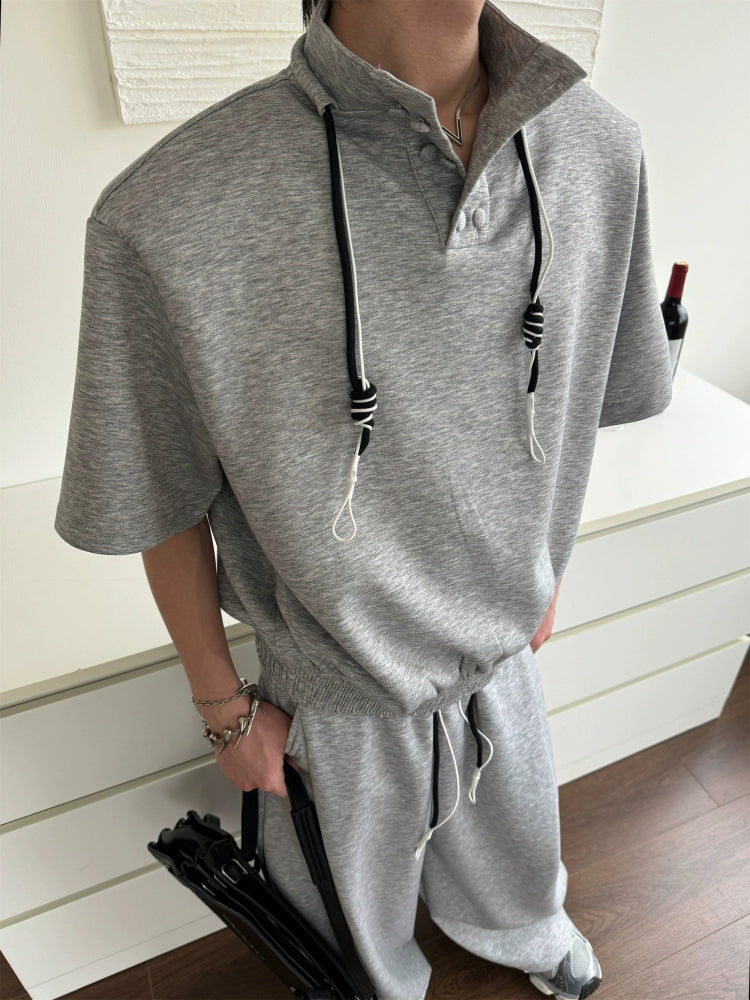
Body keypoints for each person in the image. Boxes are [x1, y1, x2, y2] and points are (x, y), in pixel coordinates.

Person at [55, 0, 673, 997]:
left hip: (505, 650)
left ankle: (521, 925)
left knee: (519, 866)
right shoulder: (168, 208)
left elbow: (579, 392)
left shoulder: (600, 149)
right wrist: (222, 706)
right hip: (328, 692)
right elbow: (155, 487)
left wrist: (545, 568)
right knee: (351, 949)